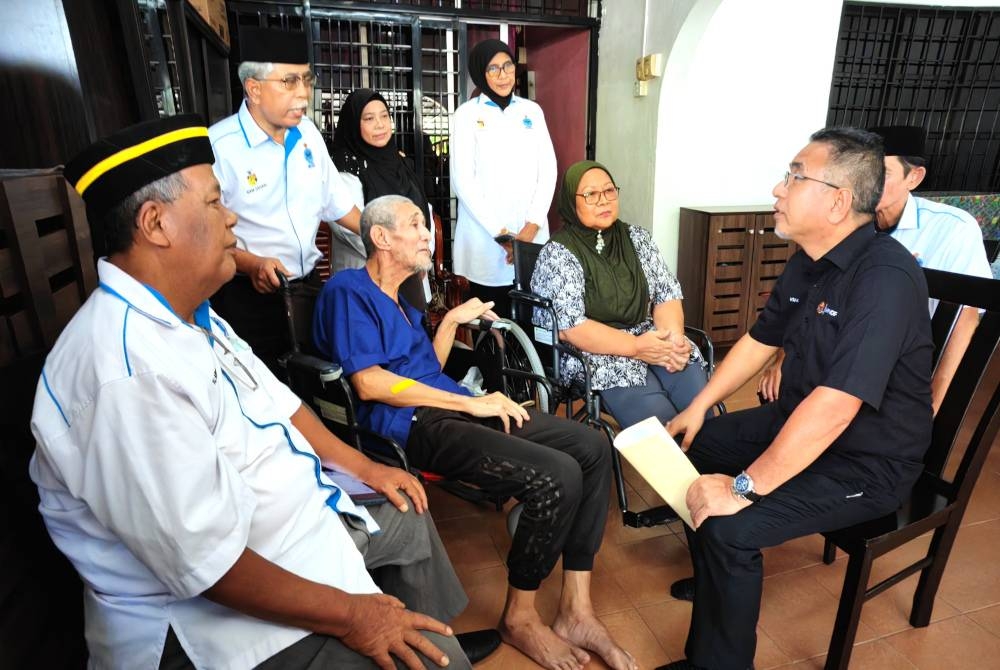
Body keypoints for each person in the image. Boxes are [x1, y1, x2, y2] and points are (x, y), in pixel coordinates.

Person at [32, 115, 474, 670]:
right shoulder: (124, 373)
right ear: (155, 223)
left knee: (405, 506)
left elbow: (283, 406)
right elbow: (210, 566)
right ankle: (429, 647)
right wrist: (358, 616)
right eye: (215, 203)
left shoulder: (195, 316)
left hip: (291, 527)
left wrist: (365, 468)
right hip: (220, 620)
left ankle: (435, 632)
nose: (232, 217)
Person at [313, 194, 637, 670]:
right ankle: (521, 618)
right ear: (380, 237)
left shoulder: (402, 300)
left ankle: (576, 609)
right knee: (556, 476)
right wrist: (471, 401)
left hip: (446, 409)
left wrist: (449, 322)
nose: (429, 235)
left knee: (590, 445)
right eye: (416, 226)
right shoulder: (348, 291)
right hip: (410, 427)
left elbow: (426, 372)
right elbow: (371, 382)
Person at [658, 128, 934, 670]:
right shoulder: (809, 258)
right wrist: (697, 405)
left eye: (794, 175)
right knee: (699, 443)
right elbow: (761, 340)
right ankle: (720, 583)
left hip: (867, 462)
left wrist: (743, 488)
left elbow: (836, 406)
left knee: (732, 527)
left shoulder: (885, 278)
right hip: (800, 423)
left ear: (838, 200)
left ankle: (718, 658)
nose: (778, 188)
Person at [757, 124, 991, 415]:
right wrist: (782, 359)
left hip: (900, 363)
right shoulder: (843, 220)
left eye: (882, 174)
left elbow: (964, 320)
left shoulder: (952, 228)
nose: (869, 183)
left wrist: (932, 407)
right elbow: (804, 299)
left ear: (914, 177)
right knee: (780, 399)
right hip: (837, 350)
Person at [209, 26, 362, 374]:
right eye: (289, 82)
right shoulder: (220, 147)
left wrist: (381, 231)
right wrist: (252, 264)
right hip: (251, 296)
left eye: (306, 80)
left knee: (319, 383)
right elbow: (206, 237)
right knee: (266, 388)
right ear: (254, 89)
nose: (303, 94)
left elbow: (338, 204)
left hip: (308, 289)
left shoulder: (308, 134)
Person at [530, 160, 708, 429]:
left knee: (701, 405)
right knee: (660, 424)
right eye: (591, 194)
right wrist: (637, 348)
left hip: (650, 336)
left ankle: (713, 464)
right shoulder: (558, 253)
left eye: (609, 191)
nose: (603, 201)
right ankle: (678, 469)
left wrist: (671, 343)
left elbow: (666, 293)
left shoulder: (638, 238)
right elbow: (570, 328)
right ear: (571, 201)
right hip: (595, 351)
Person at [450, 39, 557, 317]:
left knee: (534, 321)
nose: (503, 75)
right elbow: (464, 182)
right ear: (480, 73)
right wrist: (503, 236)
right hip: (485, 242)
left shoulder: (531, 111)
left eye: (507, 65)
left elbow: (548, 170)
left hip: (531, 235)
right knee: (493, 323)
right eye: (493, 68)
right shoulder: (466, 115)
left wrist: (530, 228)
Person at [330, 88, 432, 311]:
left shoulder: (400, 162)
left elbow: (424, 213)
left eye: (384, 116)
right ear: (354, 124)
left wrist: (423, 250)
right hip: (367, 283)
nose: (380, 124)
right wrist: (403, 254)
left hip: (411, 280)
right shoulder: (344, 167)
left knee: (413, 341)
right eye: (369, 118)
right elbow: (347, 227)